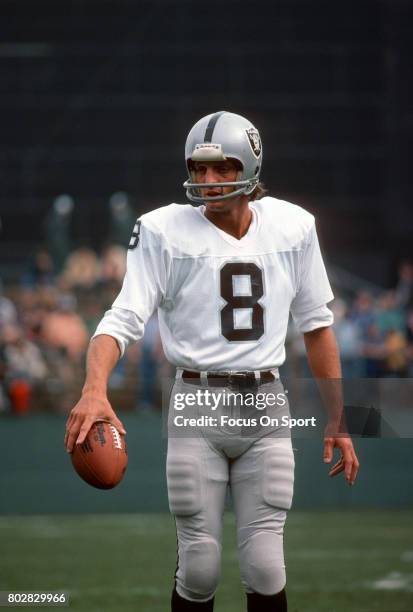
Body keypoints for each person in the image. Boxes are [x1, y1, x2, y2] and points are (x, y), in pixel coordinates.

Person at [64, 111, 359, 611]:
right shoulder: (161, 230)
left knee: (266, 569)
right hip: (196, 403)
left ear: (249, 166)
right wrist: (94, 388)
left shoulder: (294, 227)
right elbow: (122, 318)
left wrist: (339, 418)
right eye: (198, 169)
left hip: (266, 403)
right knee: (199, 568)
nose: (207, 180)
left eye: (221, 168)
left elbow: (317, 325)